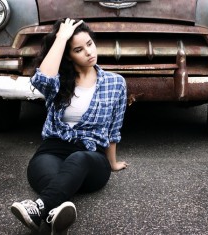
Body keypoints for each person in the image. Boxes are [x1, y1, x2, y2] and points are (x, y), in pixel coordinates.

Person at [11, 18, 128, 235]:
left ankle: (38, 209)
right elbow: (42, 78)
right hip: (52, 150)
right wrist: (61, 38)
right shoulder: (59, 82)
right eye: (78, 49)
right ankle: (54, 213)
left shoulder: (116, 83)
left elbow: (114, 128)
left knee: (78, 159)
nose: (88, 52)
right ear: (68, 55)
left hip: (90, 156)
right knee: (52, 176)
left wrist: (112, 163)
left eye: (90, 44)